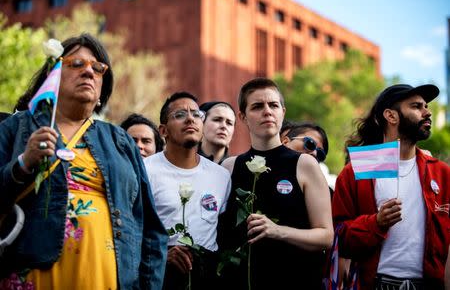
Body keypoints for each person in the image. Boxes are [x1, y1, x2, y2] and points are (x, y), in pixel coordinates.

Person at [0, 33, 167, 289]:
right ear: (52, 75)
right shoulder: (17, 128)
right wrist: (23, 164)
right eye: (76, 64)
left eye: (97, 68)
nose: (89, 72)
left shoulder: (120, 141)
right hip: (32, 275)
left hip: (108, 279)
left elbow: (151, 231)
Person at [218, 78, 333, 289]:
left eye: (273, 105)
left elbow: (325, 235)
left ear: (283, 112)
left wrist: (278, 230)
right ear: (243, 117)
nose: (267, 111)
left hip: (295, 280)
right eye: (257, 106)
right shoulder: (230, 166)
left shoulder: (304, 164)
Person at [332, 84, 450, 289]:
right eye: (416, 106)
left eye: (426, 106)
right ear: (391, 116)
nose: (427, 112)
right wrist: (375, 223)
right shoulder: (357, 169)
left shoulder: (442, 173)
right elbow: (338, 239)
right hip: (374, 283)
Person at [144, 92, 232, 290]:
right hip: (160, 275)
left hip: (206, 276)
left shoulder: (221, 176)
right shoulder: (144, 170)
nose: (190, 118)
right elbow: (131, 229)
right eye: (180, 115)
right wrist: (162, 254)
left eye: (196, 114)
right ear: (163, 130)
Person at [280, 121, 337, 191]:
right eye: (310, 143)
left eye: (320, 154)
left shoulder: (328, 194)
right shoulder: (264, 169)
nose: (314, 154)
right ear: (285, 142)